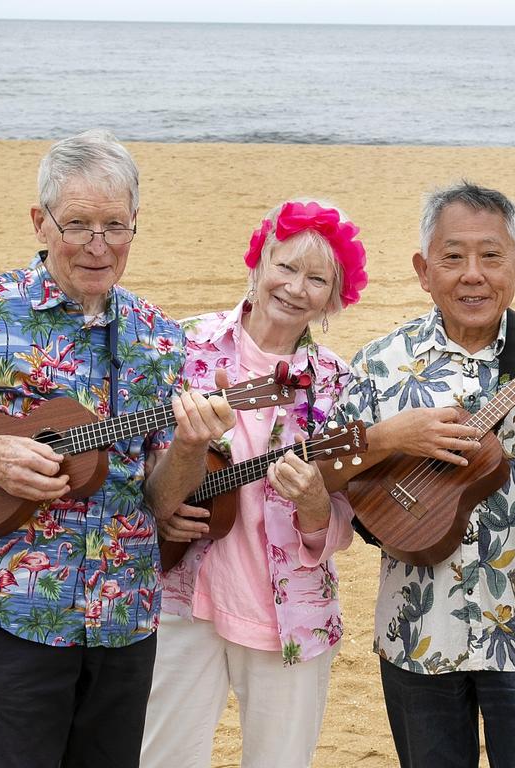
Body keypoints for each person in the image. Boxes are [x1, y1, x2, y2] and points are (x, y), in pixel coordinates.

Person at [0, 129, 235, 768]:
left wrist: (192, 446)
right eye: (78, 224)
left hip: (124, 619)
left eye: (116, 225)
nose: (98, 244)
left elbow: (158, 500)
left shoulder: (159, 338)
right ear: (40, 221)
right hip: (13, 614)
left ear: (135, 225)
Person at [327, 182, 515, 768]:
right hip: (417, 626)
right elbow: (323, 467)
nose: (472, 274)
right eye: (452, 257)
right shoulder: (380, 361)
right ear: (424, 270)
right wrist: (388, 437)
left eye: (491, 255)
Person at [141, 199, 368, 768]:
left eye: (317, 278)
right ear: (260, 259)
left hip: (289, 613)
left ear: (335, 295)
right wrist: (162, 499)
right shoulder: (182, 344)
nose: (295, 287)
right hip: (180, 596)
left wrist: (316, 503)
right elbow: (135, 462)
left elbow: (343, 522)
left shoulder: (338, 382)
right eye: (286, 266)